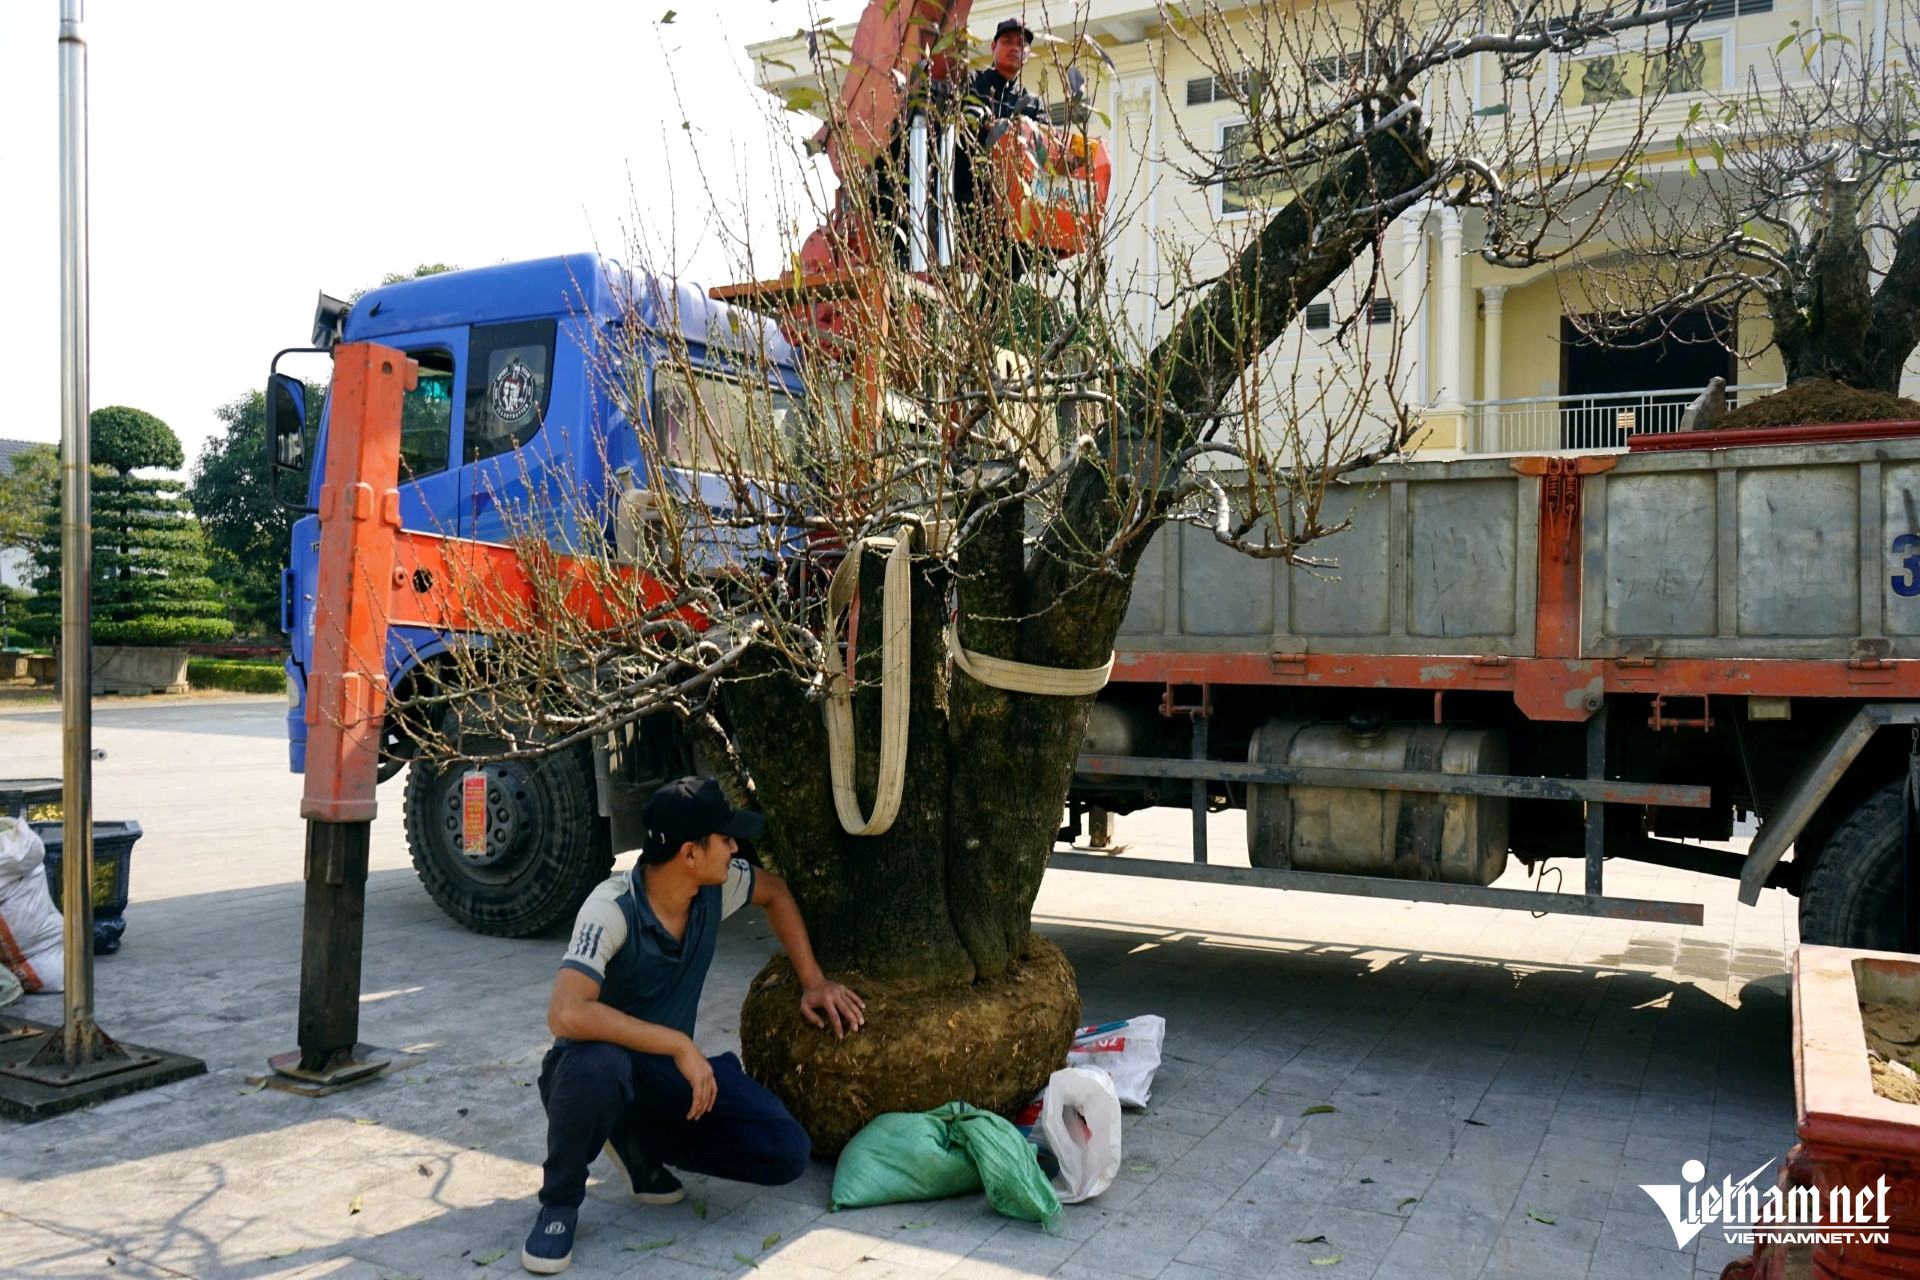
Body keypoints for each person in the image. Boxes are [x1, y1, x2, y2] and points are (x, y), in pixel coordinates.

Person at [521, 776, 866, 1275]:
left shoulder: (714, 889)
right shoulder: (611, 908)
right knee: (599, 1068)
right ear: (689, 854)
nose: (734, 847)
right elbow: (566, 1012)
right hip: (591, 1068)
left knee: (786, 1151)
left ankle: (635, 1140)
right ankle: (559, 1204)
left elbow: (777, 893)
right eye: (725, 838)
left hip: (666, 1076)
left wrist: (813, 981)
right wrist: (679, 1043)